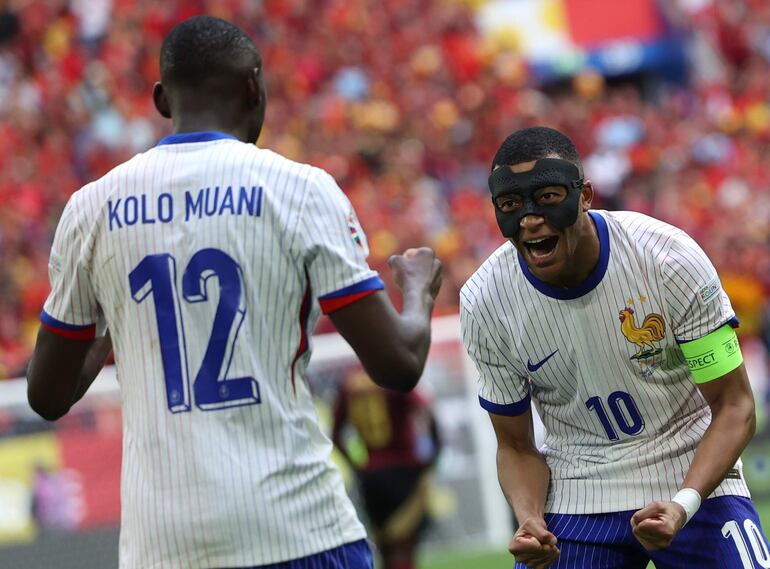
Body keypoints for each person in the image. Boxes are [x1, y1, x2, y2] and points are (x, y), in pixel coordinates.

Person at [26, 16, 442, 569]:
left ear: (160, 99)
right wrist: (417, 289)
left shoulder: (91, 208)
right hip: (297, 529)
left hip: (162, 548)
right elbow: (398, 364)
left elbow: (46, 396)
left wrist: (115, 321)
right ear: (254, 88)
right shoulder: (300, 189)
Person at [459, 126, 769, 569]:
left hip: (692, 476)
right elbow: (516, 447)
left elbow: (735, 405)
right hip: (579, 489)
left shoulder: (668, 259)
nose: (529, 219)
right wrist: (529, 518)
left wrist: (684, 502)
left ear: (584, 194)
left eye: (546, 198)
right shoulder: (485, 301)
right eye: (511, 205)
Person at [331, 370, 441, 569]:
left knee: (384, 549)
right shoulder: (391, 370)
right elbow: (426, 409)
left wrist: (357, 466)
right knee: (404, 548)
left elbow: (336, 432)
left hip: (370, 474)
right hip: (403, 469)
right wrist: (432, 455)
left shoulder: (349, 382)